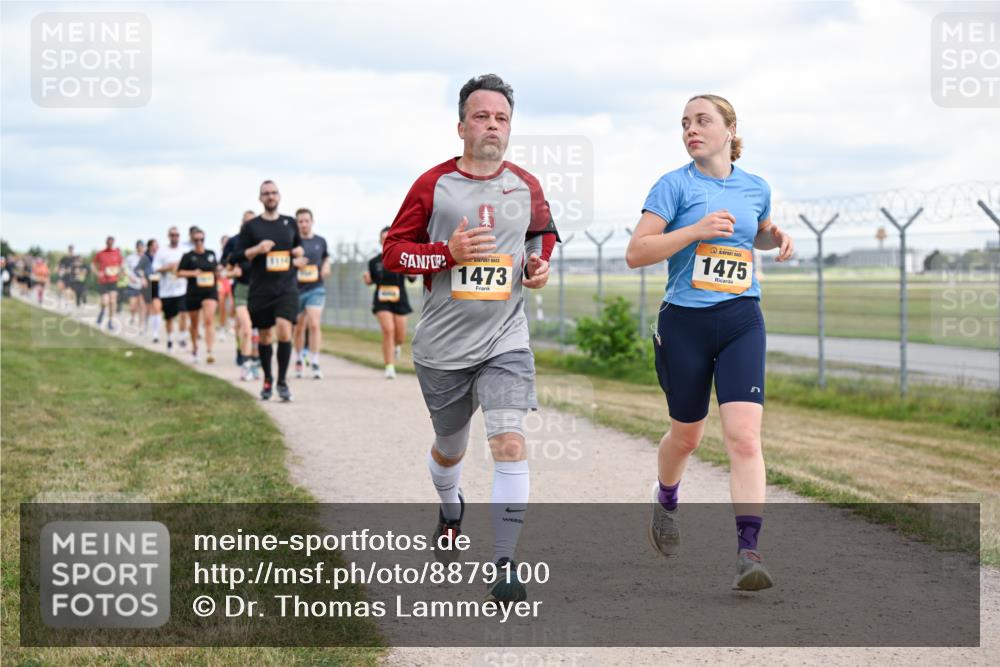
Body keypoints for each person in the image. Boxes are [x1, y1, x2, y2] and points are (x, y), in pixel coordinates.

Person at [382, 74, 558, 603]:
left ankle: (504, 562)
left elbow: (544, 232)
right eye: (481, 117)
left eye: (501, 118)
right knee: (450, 449)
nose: (492, 126)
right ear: (461, 126)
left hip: (505, 339)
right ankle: (450, 505)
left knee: (508, 442)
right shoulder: (432, 184)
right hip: (442, 348)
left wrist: (538, 262)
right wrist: (446, 254)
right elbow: (393, 251)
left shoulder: (525, 184)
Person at [624, 94, 794, 591]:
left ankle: (749, 551)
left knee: (743, 437)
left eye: (702, 121)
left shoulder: (756, 186)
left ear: (729, 130)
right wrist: (695, 229)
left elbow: (753, 233)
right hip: (685, 322)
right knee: (688, 436)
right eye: (684, 123)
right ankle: (667, 498)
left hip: (742, 316)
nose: (691, 130)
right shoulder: (674, 185)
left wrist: (774, 237)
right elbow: (637, 252)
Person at [232, 182, 305, 401]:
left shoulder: (290, 223)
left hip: (286, 287)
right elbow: (234, 257)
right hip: (261, 289)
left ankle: (282, 382)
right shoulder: (252, 227)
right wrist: (257, 249)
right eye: (266, 194)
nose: (270, 196)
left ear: (279, 196)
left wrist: (299, 254)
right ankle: (267, 379)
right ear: (260, 198)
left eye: (273, 193)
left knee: (284, 330)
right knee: (264, 336)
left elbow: (298, 249)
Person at [364, 225, 417, 378]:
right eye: (383, 238)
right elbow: (371, 280)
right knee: (388, 331)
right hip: (382, 300)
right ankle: (389, 367)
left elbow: (412, 278)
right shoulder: (374, 262)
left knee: (400, 335)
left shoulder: (402, 257)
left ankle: (397, 346)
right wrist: (367, 280)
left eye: (389, 238)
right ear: (380, 241)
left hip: (400, 298)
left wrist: (411, 273)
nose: (386, 241)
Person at [292, 208, 330, 379]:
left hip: (316, 287)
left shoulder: (320, 241)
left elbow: (326, 256)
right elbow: (285, 262)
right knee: (299, 327)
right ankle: (299, 359)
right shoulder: (293, 242)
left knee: (314, 324)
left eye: (306, 221)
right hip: (296, 289)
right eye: (300, 221)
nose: (304, 224)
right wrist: (294, 262)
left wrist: (327, 264)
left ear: (312, 221)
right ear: (297, 223)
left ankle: (314, 361)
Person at [223, 210, 261, 380]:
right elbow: (225, 268)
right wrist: (233, 272)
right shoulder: (234, 242)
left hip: (260, 290)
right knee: (245, 327)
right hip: (241, 289)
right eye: (246, 222)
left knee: (257, 331)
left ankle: (255, 362)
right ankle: (244, 362)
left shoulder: (263, 242)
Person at [177, 228, 220, 364]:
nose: (199, 242)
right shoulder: (188, 256)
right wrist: (193, 273)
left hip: (210, 291)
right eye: (196, 240)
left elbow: (216, 270)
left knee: (208, 320)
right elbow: (179, 273)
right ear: (192, 241)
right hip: (194, 292)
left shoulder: (211, 254)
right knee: (194, 323)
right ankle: (195, 348)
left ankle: (209, 351)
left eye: (201, 239)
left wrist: (219, 273)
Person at [153, 227, 189, 352]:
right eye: (172, 235)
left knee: (184, 313)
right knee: (169, 317)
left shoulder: (184, 250)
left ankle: (183, 337)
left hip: (182, 288)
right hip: (166, 290)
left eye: (177, 235)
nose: (175, 237)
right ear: (169, 236)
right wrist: (168, 267)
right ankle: (170, 339)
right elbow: (155, 268)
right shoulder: (162, 251)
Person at [93, 236, 123, 331]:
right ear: (106, 243)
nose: (110, 244)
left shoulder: (117, 253)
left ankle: (110, 322)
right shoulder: (100, 253)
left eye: (111, 242)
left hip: (113, 281)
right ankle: (102, 312)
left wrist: (120, 273)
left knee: (113, 301)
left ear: (113, 243)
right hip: (103, 281)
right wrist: (97, 273)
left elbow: (121, 265)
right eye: (108, 242)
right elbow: (93, 264)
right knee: (105, 302)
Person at [139, 238, 160, 339]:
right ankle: (145, 326)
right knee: (147, 308)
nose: (157, 246)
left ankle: (155, 332)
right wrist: (142, 278)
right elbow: (138, 269)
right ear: (151, 246)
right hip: (147, 283)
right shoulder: (145, 257)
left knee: (156, 307)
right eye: (155, 245)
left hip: (157, 283)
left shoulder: (160, 256)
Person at [125, 240, 147, 329]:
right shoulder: (130, 258)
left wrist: (146, 280)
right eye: (139, 246)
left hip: (143, 285)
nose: (140, 248)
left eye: (142, 246)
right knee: (133, 306)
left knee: (142, 305)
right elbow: (125, 269)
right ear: (136, 247)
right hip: (132, 284)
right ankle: (133, 316)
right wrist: (130, 277)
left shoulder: (147, 258)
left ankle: (141, 325)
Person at [217, 234, 234, 340]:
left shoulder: (233, 254)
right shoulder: (219, 254)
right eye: (225, 242)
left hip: (232, 280)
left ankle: (231, 324)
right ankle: (222, 329)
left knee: (233, 305)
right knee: (222, 306)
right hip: (222, 282)